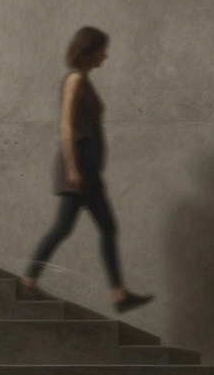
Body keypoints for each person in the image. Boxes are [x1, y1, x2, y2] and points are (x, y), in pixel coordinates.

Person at [22, 26, 152, 314]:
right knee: (69, 227)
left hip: (88, 169)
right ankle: (30, 279)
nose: (106, 55)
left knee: (97, 226)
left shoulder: (85, 80)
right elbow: (66, 125)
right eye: (102, 49)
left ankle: (119, 294)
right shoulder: (75, 79)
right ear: (90, 50)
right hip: (78, 167)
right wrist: (72, 168)